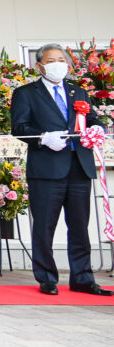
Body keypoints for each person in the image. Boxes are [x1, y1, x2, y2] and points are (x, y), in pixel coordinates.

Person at [11, 44, 112, 296]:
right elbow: (19, 127)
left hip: (79, 165)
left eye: (61, 59)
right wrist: (43, 137)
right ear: (39, 66)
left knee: (80, 225)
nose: (58, 64)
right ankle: (46, 277)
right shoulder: (26, 93)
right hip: (46, 168)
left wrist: (98, 128)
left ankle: (82, 278)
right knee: (44, 226)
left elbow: (91, 119)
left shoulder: (77, 91)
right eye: (51, 60)